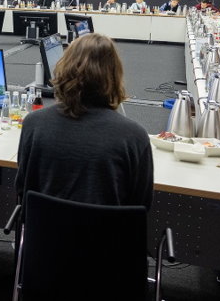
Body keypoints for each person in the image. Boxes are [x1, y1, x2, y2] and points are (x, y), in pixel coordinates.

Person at [16, 33, 153, 210]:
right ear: (114, 75)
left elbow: (23, 189)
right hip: (107, 237)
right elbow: (141, 205)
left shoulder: (33, 124)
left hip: (43, 236)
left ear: (64, 68)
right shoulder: (134, 137)